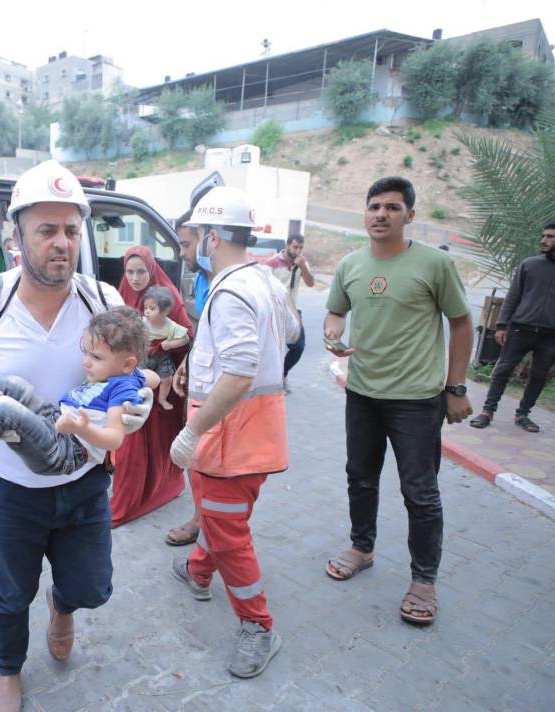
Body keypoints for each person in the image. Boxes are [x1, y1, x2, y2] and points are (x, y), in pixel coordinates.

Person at [0, 161, 152, 712]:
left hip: (83, 478)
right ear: (16, 236)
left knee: (94, 587)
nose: (62, 243)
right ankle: (7, 669)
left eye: (72, 230)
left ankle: (64, 604)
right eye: (46, 230)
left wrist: (138, 400)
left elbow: (131, 371)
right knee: (9, 593)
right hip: (10, 488)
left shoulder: (102, 299)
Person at [323, 176, 474, 627]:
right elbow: (335, 311)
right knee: (360, 477)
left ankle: (424, 580)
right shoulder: (350, 264)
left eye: (391, 207)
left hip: (417, 400)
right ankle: (362, 547)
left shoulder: (434, 264)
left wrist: (456, 387)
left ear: (409, 215)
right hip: (363, 394)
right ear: (365, 213)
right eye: (373, 206)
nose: (380, 214)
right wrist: (333, 333)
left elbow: (462, 324)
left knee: (421, 494)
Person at [167, 186, 300, 679]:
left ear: (214, 236)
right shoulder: (266, 281)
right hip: (259, 434)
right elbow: (290, 334)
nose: (196, 243)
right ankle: (199, 572)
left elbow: (240, 372)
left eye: (199, 235)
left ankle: (258, 626)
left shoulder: (229, 290)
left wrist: (191, 431)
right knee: (223, 516)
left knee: (228, 532)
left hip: (228, 435)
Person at [0, 307, 158, 481]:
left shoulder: (121, 386)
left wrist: (82, 428)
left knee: (3, 410)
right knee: (15, 385)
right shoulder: (126, 375)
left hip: (67, 451)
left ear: (127, 364)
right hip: (57, 425)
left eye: (96, 357)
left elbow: (114, 439)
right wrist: (147, 387)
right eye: (86, 353)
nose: (86, 363)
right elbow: (151, 377)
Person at [470, 221, 555, 432]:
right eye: (543, 235)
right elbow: (513, 296)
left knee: (539, 375)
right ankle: (487, 411)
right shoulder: (530, 264)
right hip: (520, 329)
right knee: (502, 371)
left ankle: (523, 414)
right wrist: (501, 325)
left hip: (552, 334)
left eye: (550, 236)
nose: (544, 240)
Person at [111, 246, 193, 528]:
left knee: (153, 443)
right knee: (130, 444)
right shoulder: (122, 293)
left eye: (141, 271)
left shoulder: (166, 296)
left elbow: (187, 336)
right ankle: (132, 496)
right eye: (130, 271)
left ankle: (157, 490)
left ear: (152, 269)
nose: (134, 278)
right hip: (132, 377)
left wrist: (163, 346)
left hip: (161, 384)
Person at [166, 212, 213, 547]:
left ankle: (209, 526)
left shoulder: (232, 284)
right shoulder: (202, 279)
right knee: (196, 457)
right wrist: (187, 361)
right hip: (199, 375)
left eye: (186, 244)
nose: (181, 254)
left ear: (210, 239)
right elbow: (204, 331)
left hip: (220, 389)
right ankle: (201, 519)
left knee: (207, 454)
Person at [264, 234, 314, 388]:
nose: (298, 251)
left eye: (300, 248)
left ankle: (282, 373)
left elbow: (311, 283)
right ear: (286, 246)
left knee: (298, 347)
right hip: (275, 311)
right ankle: (270, 378)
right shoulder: (272, 263)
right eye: (295, 247)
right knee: (271, 348)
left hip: (293, 311)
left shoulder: (302, 263)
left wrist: (303, 266)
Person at [141, 286, 190, 410]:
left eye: (152, 309)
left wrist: (171, 344)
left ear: (164, 312)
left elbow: (185, 339)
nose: (147, 311)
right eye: (145, 307)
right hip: (144, 356)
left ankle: (162, 399)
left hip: (163, 357)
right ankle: (138, 397)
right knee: (139, 377)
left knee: (167, 379)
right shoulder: (142, 322)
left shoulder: (171, 326)